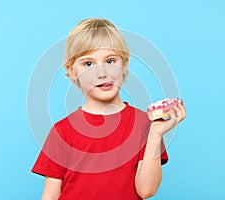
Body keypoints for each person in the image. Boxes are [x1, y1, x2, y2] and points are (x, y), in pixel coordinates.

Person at [31, 18, 186, 200]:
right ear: (72, 71)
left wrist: (155, 135)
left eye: (110, 61)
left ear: (124, 64)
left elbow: (147, 191)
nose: (102, 72)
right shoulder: (62, 131)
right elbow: (50, 195)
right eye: (88, 64)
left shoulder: (145, 124)